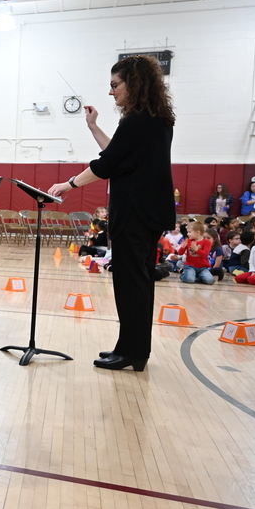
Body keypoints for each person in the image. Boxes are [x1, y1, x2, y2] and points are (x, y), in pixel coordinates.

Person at [48, 55, 175, 371]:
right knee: (139, 283)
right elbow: (118, 154)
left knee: (131, 284)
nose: (111, 92)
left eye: (115, 85)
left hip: (134, 213)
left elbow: (107, 165)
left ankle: (132, 351)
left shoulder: (136, 121)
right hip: (149, 213)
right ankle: (132, 349)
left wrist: (68, 183)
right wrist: (93, 127)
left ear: (133, 84)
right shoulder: (156, 119)